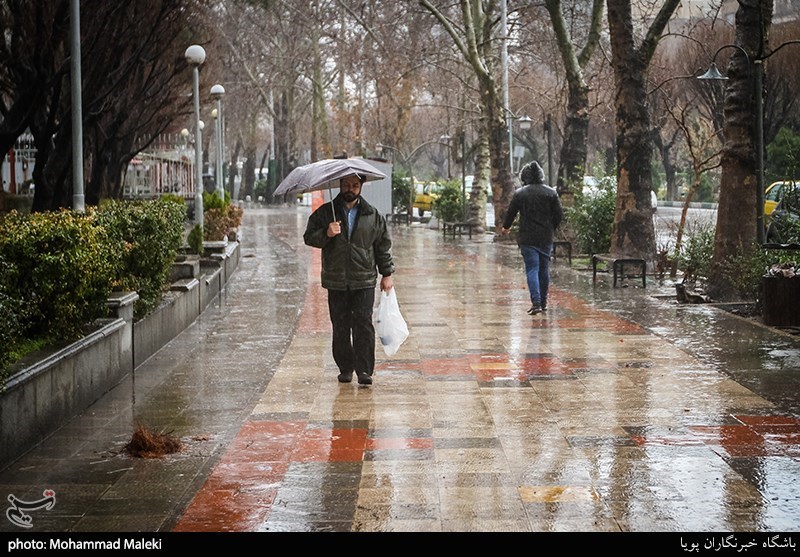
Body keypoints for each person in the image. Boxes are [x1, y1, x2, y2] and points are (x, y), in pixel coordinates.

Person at [303, 173, 395, 385]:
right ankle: (345, 368)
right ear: (339, 185)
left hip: (364, 279)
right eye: (346, 185)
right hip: (336, 280)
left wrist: (387, 274)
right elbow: (309, 237)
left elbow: (383, 246)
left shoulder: (372, 215)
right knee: (341, 325)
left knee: (363, 325)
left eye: (354, 185)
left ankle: (364, 370)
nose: (350, 189)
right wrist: (327, 233)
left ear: (361, 187)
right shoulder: (326, 213)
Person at [499, 161, 563, 315]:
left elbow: (511, 213)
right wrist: (550, 227)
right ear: (541, 175)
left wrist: (506, 227)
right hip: (545, 237)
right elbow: (559, 215)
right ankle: (543, 301)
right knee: (544, 269)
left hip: (527, 237)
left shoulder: (520, 193)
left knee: (532, 269)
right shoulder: (551, 193)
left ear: (524, 177)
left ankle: (536, 303)